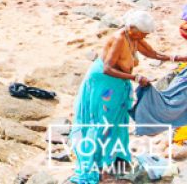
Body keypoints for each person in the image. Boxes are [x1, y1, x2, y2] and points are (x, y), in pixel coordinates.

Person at [71, 11, 186, 183]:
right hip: (104, 83)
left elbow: (153, 54)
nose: (145, 37)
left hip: (118, 83)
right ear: (132, 29)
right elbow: (107, 68)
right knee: (104, 123)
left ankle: (113, 158)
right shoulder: (119, 39)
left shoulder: (134, 37)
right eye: (143, 34)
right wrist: (136, 78)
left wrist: (179, 58)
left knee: (117, 120)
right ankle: (99, 166)